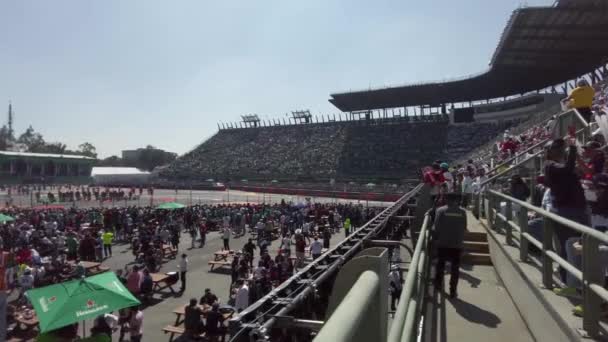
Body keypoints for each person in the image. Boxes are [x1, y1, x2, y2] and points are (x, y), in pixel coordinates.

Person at [544, 138, 587, 286]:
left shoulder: (563, 165)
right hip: (564, 211)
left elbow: (575, 172)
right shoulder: (550, 165)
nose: (562, 149)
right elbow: (567, 169)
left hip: (578, 209)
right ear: (550, 152)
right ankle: (566, 281)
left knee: (583, 247)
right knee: (566, 247)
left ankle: (580, 281)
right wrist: (573, 148)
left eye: (561, 147)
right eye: (557, 148)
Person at [433, 193, 467, 298]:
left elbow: (436, 227)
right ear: (457, 200)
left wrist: (435, 238)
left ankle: (438, 285)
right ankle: (453, 290)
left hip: (443, 243)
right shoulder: (463, 212)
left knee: (440, 265)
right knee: (455, 268)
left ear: (446, 200)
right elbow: (464, 228)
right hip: (457, 244)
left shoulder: (440, 210)